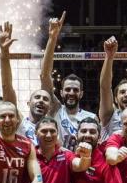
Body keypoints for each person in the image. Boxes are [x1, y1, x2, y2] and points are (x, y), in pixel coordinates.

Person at [38, 14, 97, 151]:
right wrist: (53, 38)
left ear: (81, 94)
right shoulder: (56, 109)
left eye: (75, 90)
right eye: (68, 89)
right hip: (59, 165)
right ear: (61, 92)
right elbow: (45, 75)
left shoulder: (91, 117)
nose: (71, 93)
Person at [0, 19, 61, 145]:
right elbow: (7, 87)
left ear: (50, 106)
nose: (41, 100)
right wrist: (4, 52)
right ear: (28, 103)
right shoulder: (19, 122)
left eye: (45, 99)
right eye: (37, 97)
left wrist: (52, 38)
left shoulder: (54, 122)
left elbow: (45, 75)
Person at [30, 116, 91, 183]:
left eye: (52, 131)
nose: (48, 135)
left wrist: (86, 157)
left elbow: (81, 166)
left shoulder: (66, 155)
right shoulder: (30, 156)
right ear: (35, 133)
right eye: (44, 131)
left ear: (57, 133)